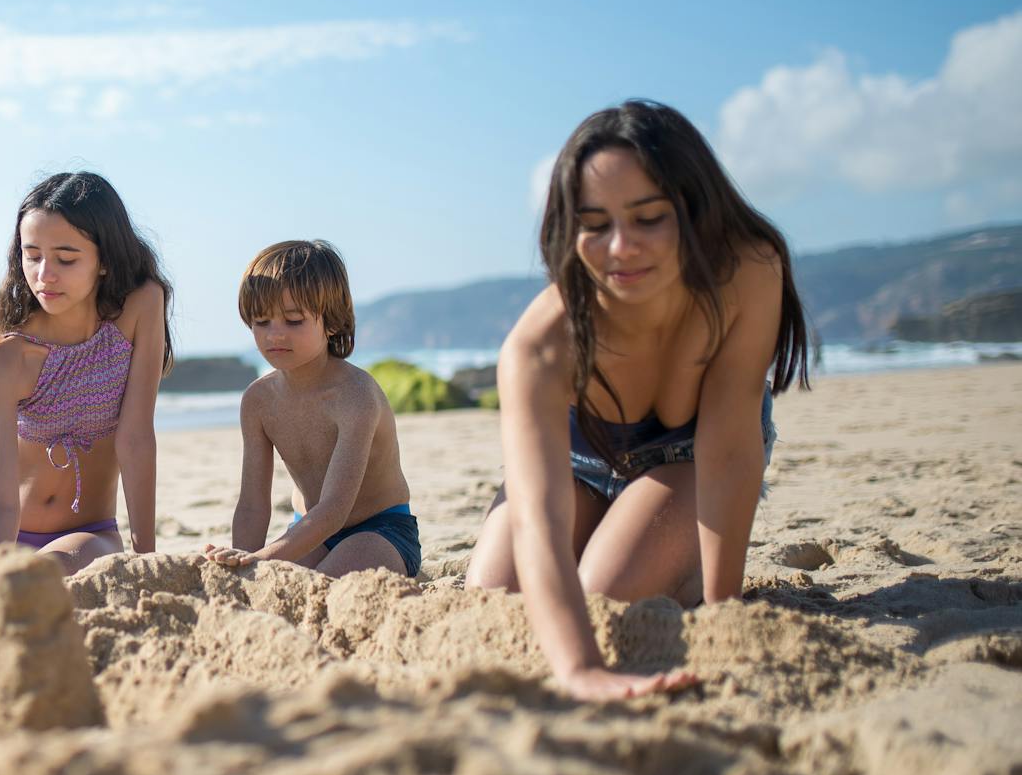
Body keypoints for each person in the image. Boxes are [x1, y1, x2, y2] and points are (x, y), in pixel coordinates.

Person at [464, 99, 811, 701]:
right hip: (576, 465)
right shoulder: (538, 347)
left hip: (688, 459)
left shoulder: (748, 270)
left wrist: (725, 610)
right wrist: (578, 670)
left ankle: (669, 564)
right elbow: (537, 520)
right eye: (595, 225)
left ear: (693, 209)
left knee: (604, 599)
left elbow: (728, 446)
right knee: (494, 608)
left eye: (648, 217)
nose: (621, 247)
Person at [0, 172, 172, 600]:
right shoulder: (4, 361)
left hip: (87, 532)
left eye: (66, 259)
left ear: (104, 259)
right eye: (32, 257)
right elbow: (0, 498)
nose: (45, 274)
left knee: (42, 586)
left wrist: (147, 561)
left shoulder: (142, 305)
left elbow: (136, 438)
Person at [203, 240, 421, 579]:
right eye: (261, 321)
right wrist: (244, 564)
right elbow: (252, 504)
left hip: (380, 530)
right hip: (304, 531)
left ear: (332, 322)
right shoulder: (258, 400)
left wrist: (262, 558)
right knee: (270, 586)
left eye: (293, 321)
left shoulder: (355, 396)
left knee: (328, 585)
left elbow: (334, 509)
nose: (275, 334)